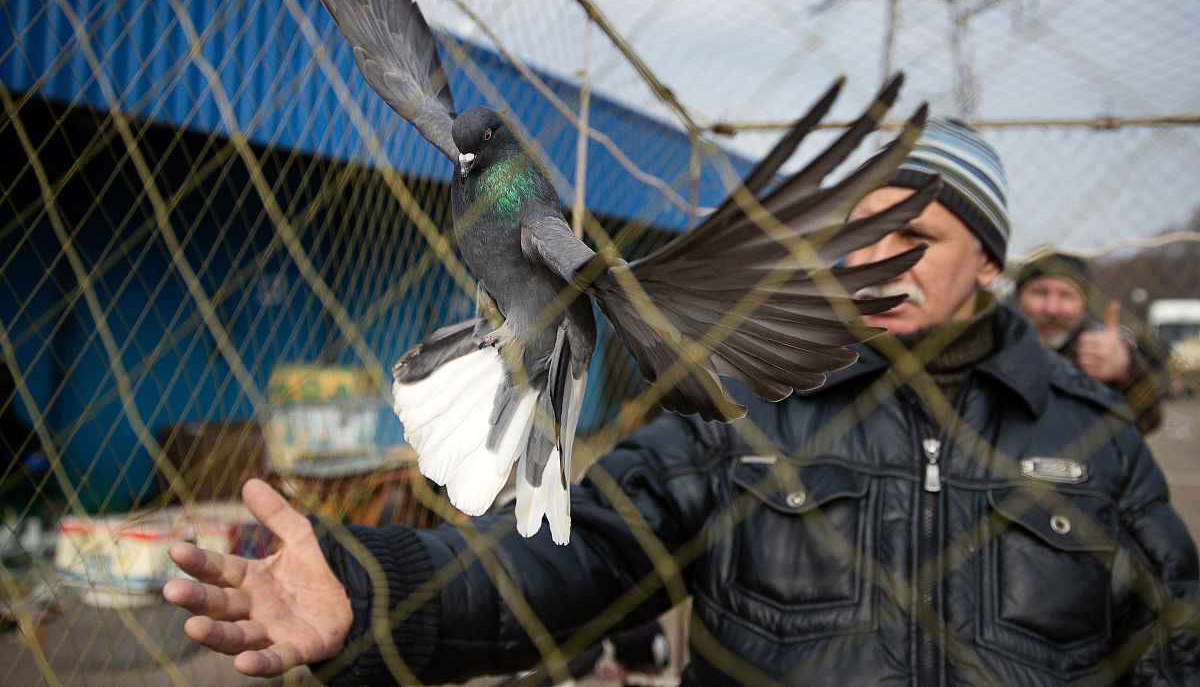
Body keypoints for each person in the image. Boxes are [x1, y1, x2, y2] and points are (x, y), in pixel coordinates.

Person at [164, 119, 1200, 686]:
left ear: (990, 260)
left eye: (915, 237)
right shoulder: (744, 408)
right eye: (856, 233)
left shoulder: (1094, 434)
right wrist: (374, 583)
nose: (875, 260)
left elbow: (1173, 644)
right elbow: (577, 550)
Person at [1013, 251, 1170, 433]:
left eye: (1066, 295)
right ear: (1019, 298)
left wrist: (1126, 371)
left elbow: (1148, 422)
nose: (1052, 309)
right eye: (1040, 293)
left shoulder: (1101, 352)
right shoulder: (998, 348)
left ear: (1084, 305)